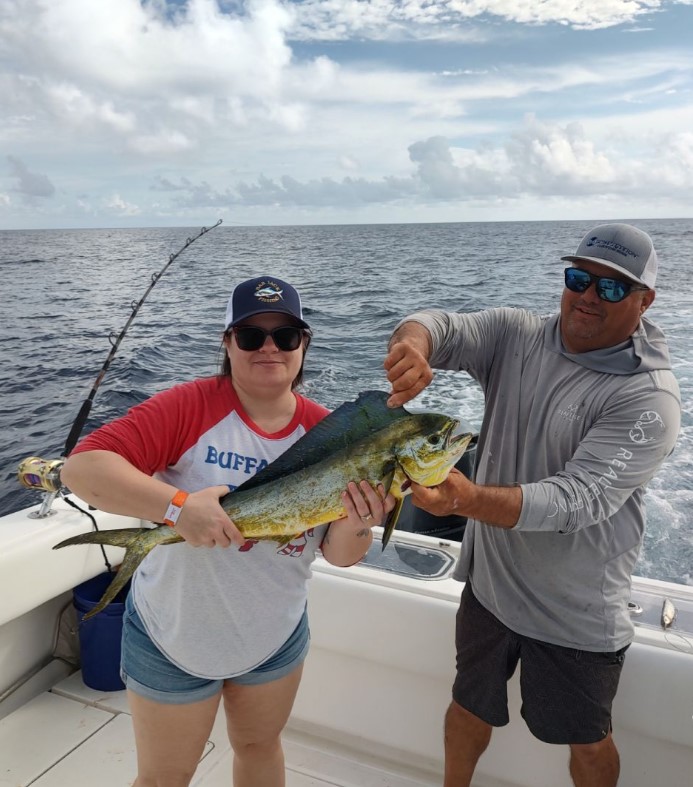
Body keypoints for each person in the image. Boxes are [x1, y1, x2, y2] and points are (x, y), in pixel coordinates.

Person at [61, 275, 395, 787]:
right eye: (251, 335)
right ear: (227, 343)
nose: (269, 348)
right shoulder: (187, 407)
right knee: (164, 778)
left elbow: (341, 555)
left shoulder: (333, 434)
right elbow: (82, 470)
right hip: (173, 638)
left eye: (285, 336)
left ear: (303, 345)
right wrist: (178, 510)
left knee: (260, 748)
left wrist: (359, 520)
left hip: (273, 638)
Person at [383, 224, 681, 787]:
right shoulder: (515, 334)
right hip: (491, 588)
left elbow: (577, 499)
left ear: (645, 301)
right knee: (467, 706)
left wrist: (466, 499)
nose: (589, 296)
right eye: (579, 278)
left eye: (612, 288)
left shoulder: (650, 397)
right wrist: (413, 347)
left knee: (587, 741)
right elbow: (439, 325)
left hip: (576, 609)